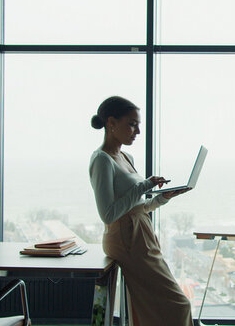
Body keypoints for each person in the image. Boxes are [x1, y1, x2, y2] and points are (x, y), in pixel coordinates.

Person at [88, 96, 193, 326]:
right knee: (179, 305)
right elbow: (108, 214)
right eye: (132, 124)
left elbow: (137, 207)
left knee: (150, 304)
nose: (137, 131)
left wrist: (161, 199)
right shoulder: (102, 160)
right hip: (126, 238)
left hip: (140, 231)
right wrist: (145, 186)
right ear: (111, 122)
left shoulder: (126, 156)